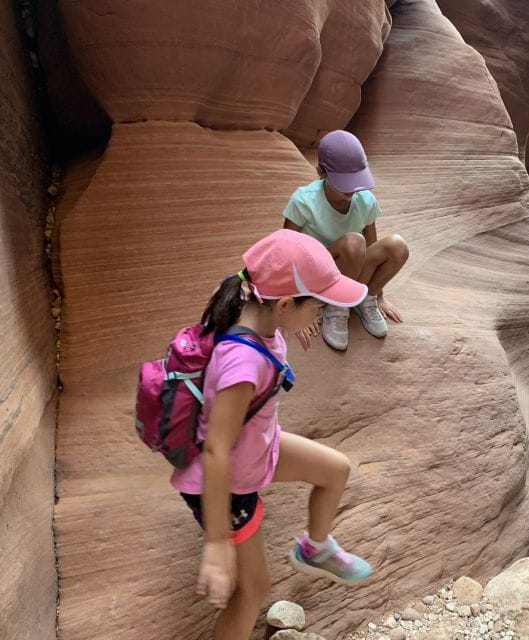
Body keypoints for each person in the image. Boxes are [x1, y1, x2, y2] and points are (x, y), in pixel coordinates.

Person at [171, 230, 373, 640]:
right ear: (283, 304)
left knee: (335, 469)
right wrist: (215, 542)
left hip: (258, 447)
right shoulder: (243, 365)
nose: (318, 314)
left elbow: (271, 308)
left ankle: (314, 548)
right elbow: (215, 450)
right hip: (229, 485)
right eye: (317, 306)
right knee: (252, 589)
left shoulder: (246, 298)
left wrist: (287, 324)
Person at [283, 130, 409, 350]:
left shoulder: (364, 199)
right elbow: (287, 253)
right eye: (344, 180)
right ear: (321, 172)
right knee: (353, 243)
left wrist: (378, 294)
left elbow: (373, 247)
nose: (352, 187)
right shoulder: (304, 200)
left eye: (355, 179)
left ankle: (365, 299)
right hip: (318, 276)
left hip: (352, 270)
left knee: (397, 246)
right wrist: (299, 307)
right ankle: (336, 307)